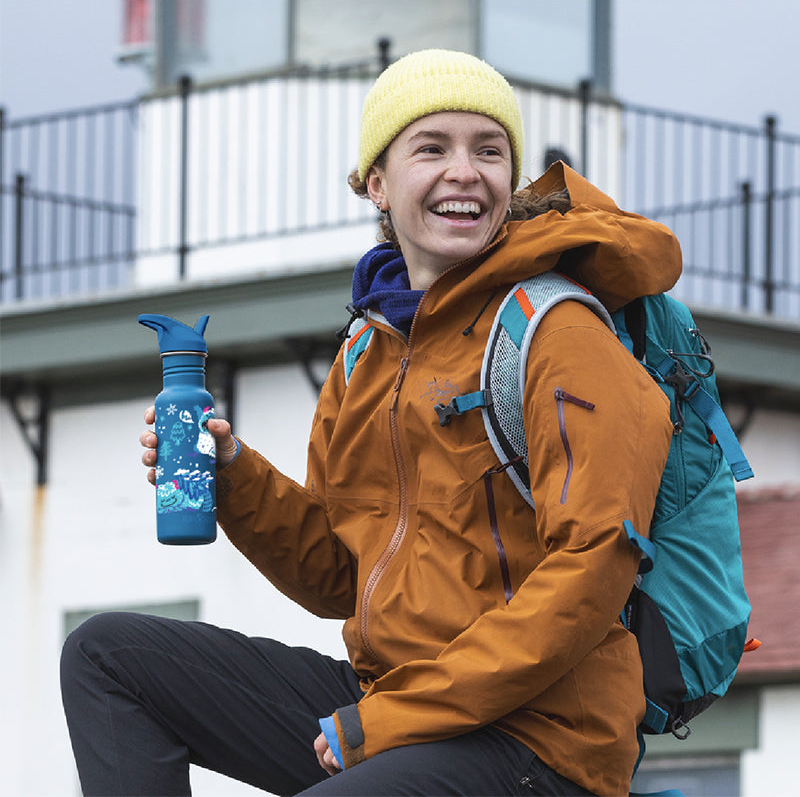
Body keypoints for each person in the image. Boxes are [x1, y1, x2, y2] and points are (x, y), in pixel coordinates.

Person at [60, 49, 682, 796]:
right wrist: (231, 477)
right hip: (393, 702)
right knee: (106, 657)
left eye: (489, 151)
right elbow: (340, 574)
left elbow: (592, 569)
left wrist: (389, 721)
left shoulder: (560, 334)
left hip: (540, 741)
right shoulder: (369, 349)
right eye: (432, 148)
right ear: (376, 184)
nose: (464, 171)